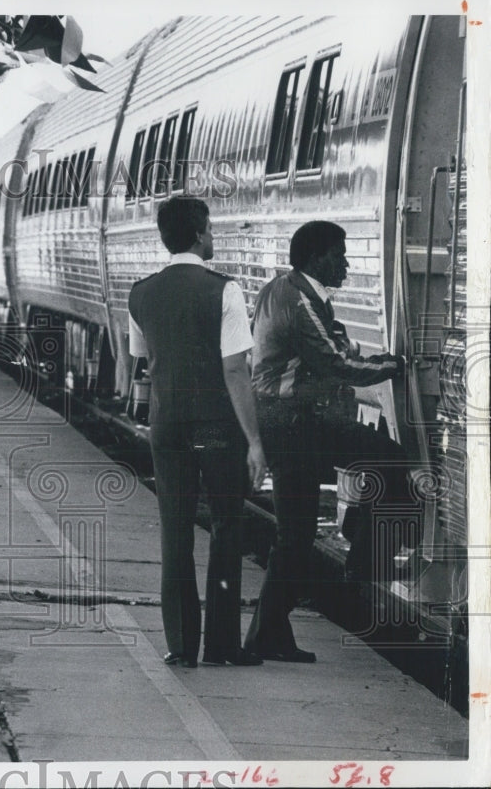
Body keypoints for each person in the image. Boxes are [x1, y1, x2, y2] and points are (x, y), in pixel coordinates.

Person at [243, 220, 408, 664]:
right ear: (317, 257)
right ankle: (361, 568)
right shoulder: (298, 299)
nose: (347, 263)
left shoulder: (287, 290)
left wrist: (373, 362)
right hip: (296, 423)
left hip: (288, 420)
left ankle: (268, 634)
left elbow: (337, 350)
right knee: (394, 464)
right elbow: (336, 362)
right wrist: (395, 367)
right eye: (340, 254)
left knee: (294, 534)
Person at [128, 197, 267, 669]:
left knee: (176, 527)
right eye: (209, 230)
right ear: (198, 234)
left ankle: (181, 645)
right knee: (226, 524)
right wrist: (254, 441)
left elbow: (144, 361)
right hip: (211, 429)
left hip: (166, 428)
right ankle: (223, 647)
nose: (213, 237)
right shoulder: (224, 290)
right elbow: (235, 371)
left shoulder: (140, 293)